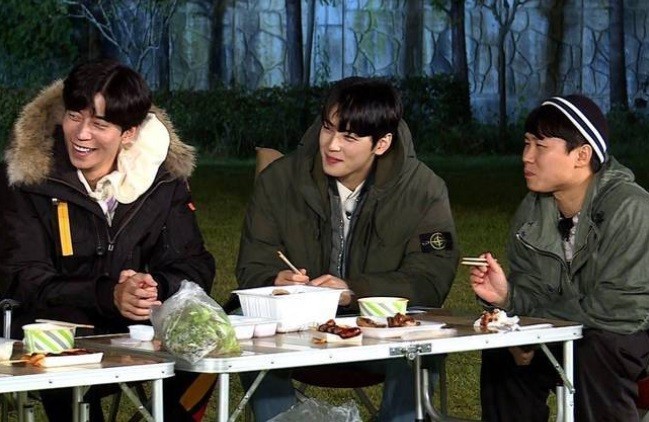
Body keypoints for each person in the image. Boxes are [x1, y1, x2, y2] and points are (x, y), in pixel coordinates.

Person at [1, 58, 216, 421]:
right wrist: (108, 294)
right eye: (74, 116)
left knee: (207, 334)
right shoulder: (30, 179)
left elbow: (194, 264)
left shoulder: (162, 180)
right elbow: (23, 278)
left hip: (135, 328)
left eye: (99, 124)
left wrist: (153, 287)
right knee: (57, 339)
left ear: (128, 133)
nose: (81, 134)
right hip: (50, 329)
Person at [235, 77, 459, 421]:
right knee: (245, 323)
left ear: (381, 143)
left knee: (422, 341)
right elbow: (252, 263)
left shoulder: (423, 190)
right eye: (328, 128)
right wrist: (275, 280)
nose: (332, 145)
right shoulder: (279, 181)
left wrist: (354, 291)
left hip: (379, 332)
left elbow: (430, 280)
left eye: (349, 137)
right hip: (296, 331)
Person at [470, 94, 649, 421]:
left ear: (582, 155)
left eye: (540, 146)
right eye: (526, 144)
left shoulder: (630, 208)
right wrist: (507, 297)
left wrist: (535, 330)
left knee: (595, 351)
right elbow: (536, 292)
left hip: (632, 333)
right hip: (572, 329)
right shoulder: (532, 212)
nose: (526, 156)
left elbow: (620, 309)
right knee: (502, 354)